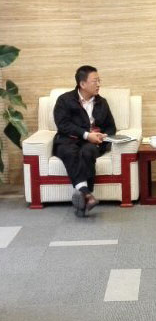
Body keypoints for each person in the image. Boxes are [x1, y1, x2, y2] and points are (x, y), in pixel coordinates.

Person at [53, 65, 116, 217]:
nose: (99, 84)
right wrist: (87, 135)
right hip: (67, 141)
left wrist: (103, 136)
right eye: (95, 81)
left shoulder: (102, 102)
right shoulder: (64, 100)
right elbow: (63, 125)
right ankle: (87, 194)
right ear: (82, 84)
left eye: (99, 80)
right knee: (70, 152)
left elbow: (111, 127)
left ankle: (84, 196)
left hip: (92, 144)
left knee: (88, 151)